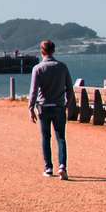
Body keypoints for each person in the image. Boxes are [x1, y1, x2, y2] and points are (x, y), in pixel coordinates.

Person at [28, 39, 75, 180]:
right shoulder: (62, 67)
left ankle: (48, 168)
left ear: (41, 51)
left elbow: (33, 91)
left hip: (43, 107)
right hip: (59, 107)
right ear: (53, 50)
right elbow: (70, 89)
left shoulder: (38, 68)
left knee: (46, 137)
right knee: (61, 138)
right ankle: (62, 166)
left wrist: (30, 108)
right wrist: (67, 104)